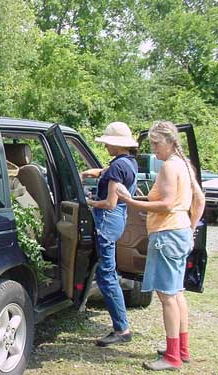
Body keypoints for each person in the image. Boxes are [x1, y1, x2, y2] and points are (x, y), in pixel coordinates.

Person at [117, 121, 205, 371]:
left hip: (166, 234)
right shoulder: (186, 165)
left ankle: (172, 357)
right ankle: (182, 349)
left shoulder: (168, 167)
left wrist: (129, 201)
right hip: (179, 231)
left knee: (167, 297)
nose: (153, 149)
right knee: (177, 294)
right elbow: (198, 200)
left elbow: (166, 204)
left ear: (169, 141)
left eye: (156, 143)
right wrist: (190, 228)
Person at [81, 121, 139, 347]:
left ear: (116, 144)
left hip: (106, 221)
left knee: (107, 276)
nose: (105, 147)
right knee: (105, 270)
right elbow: (105, 172)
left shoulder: (117, 167)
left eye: (107, 143)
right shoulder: (128, 163)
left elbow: (109, 203)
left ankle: (122, 328)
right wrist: (88, 173)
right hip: (117, 223)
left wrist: (87, 202)